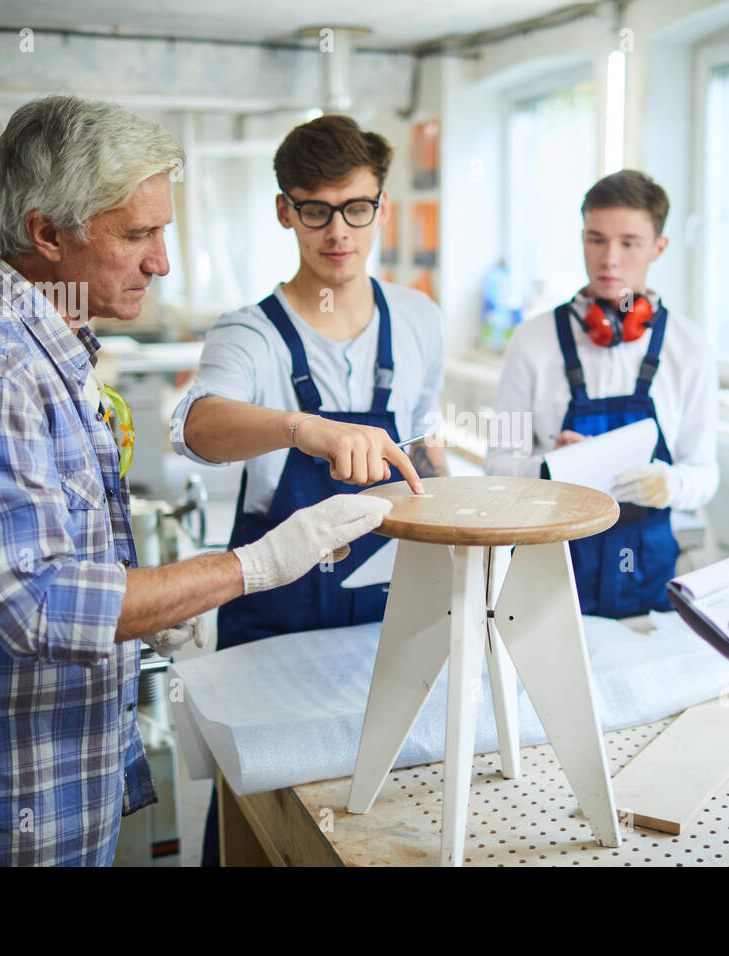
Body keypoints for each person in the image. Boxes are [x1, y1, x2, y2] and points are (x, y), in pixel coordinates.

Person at [0, 95, 390, 866]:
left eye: (162, 230)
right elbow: (38, 605)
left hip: (42, 794)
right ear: (46, 234)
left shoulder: (52, 348)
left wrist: (152, 602)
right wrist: (245, 567)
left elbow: (53, 561)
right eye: (138, 234)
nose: (161, 261)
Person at [170, 114, 446, 865]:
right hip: (276, 624)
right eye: (315, 210)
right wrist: (303, 429)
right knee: (258, 819)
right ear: (284, 211)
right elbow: (199, 425)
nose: (338, 232)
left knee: (377, 809)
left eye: (357, 207)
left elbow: (424, 439)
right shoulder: (249, 334)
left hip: (388, 618)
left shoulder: (418, 319)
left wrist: (454, 502)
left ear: (380, 206)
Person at [485, 170, 718, 618]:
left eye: (629, 243)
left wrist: (671, 483)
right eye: (596, 240)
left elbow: (705, 471)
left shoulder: (689, 348)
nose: (609, 259)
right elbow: (497, 467)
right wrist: (549, 468)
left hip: (647, 575)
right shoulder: (531, 342)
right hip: (549, 568)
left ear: (659, 247)